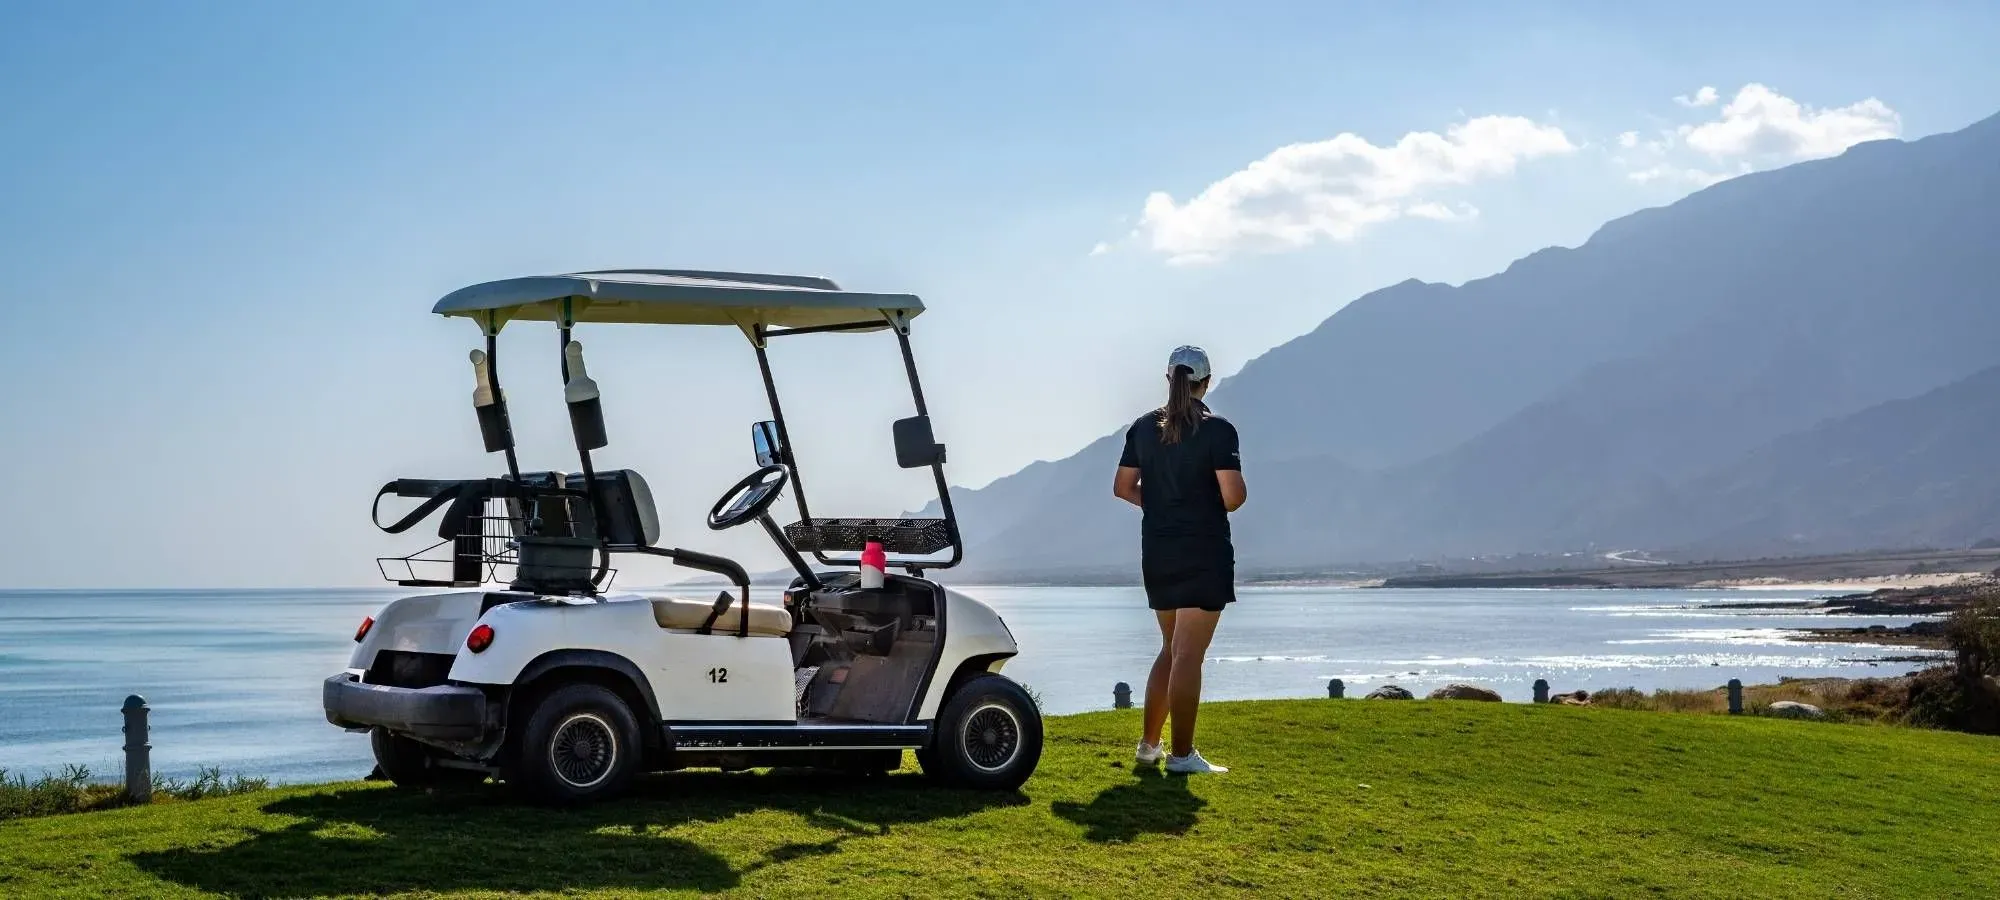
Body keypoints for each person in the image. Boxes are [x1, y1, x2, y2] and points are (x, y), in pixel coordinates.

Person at [1112, 345, 1246, 775]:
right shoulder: (1218, 430)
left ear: (1169, 379)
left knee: (1170, 649)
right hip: (1203, 550)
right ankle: (1183, 756)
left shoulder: (1142, 428)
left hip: (1159, 550)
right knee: (1189, 656)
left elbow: (1122, 486)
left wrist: (1161, 504)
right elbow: (1233, 497)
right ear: (1206, 383)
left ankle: (1149, 746)